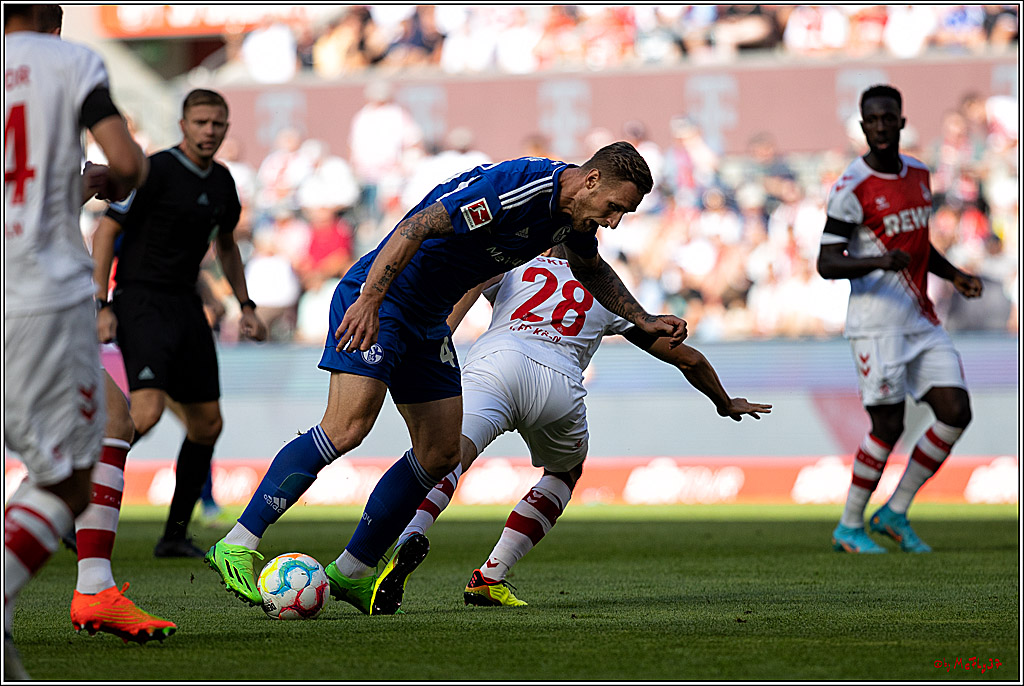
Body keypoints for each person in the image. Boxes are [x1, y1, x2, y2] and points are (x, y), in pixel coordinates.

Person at [206, 141, 687, 615]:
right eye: (614, 208)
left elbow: (590, 268)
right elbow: (416, 226)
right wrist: (371, 300)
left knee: (439, 454)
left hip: (427, 319)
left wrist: (641, 317)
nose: (614, 220)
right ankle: (237, 543)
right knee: (346, 427)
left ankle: (352, 571)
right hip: (384, 300)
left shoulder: (569, 215)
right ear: (592, 180)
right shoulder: (517, 189)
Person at [393, 244, 771, 607]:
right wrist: (724, 402)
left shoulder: (515, 265)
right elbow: (687, 359)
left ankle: (409, 534)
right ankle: (490, 577)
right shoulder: (608, 290)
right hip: (557, 383)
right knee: (564, 472)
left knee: (447, 456)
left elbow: (463, 281)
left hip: (495, 364)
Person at [4, 4, 149, 677]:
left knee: (101, 425)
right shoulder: (69, 63)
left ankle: (85, 593)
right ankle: (83, 590)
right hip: (38, 292)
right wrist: (112, 175)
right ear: (52, 24)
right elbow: (125, 161)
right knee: (70, 475)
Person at [91, 89, 268, 559]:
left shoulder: (224, 183)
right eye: (201, 122)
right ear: (183, 125)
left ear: (227, 128)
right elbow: (107, 229)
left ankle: (173, 534)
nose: (209, 131)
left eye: (218, 124)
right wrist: (100, 303)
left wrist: (246, 305)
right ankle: (75, 499)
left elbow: (226, 246)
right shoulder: (153, 170)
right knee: (144, 412)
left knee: (207, 424)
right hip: (141, 300)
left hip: (187, 306)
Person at [818, 85, 983, 554]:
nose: (883, 126)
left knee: (956, 412)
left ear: (902, 122)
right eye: (874, 119)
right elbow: (827, 262)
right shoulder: (852, 186)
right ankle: (849, 526)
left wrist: (954, 275)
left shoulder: (919, 174)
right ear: (863, 125)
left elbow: (919, 245)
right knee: (887, 426)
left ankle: (894, 511)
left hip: (921, 319)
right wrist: (875, 263)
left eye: (890, 118)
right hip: (875, 324)